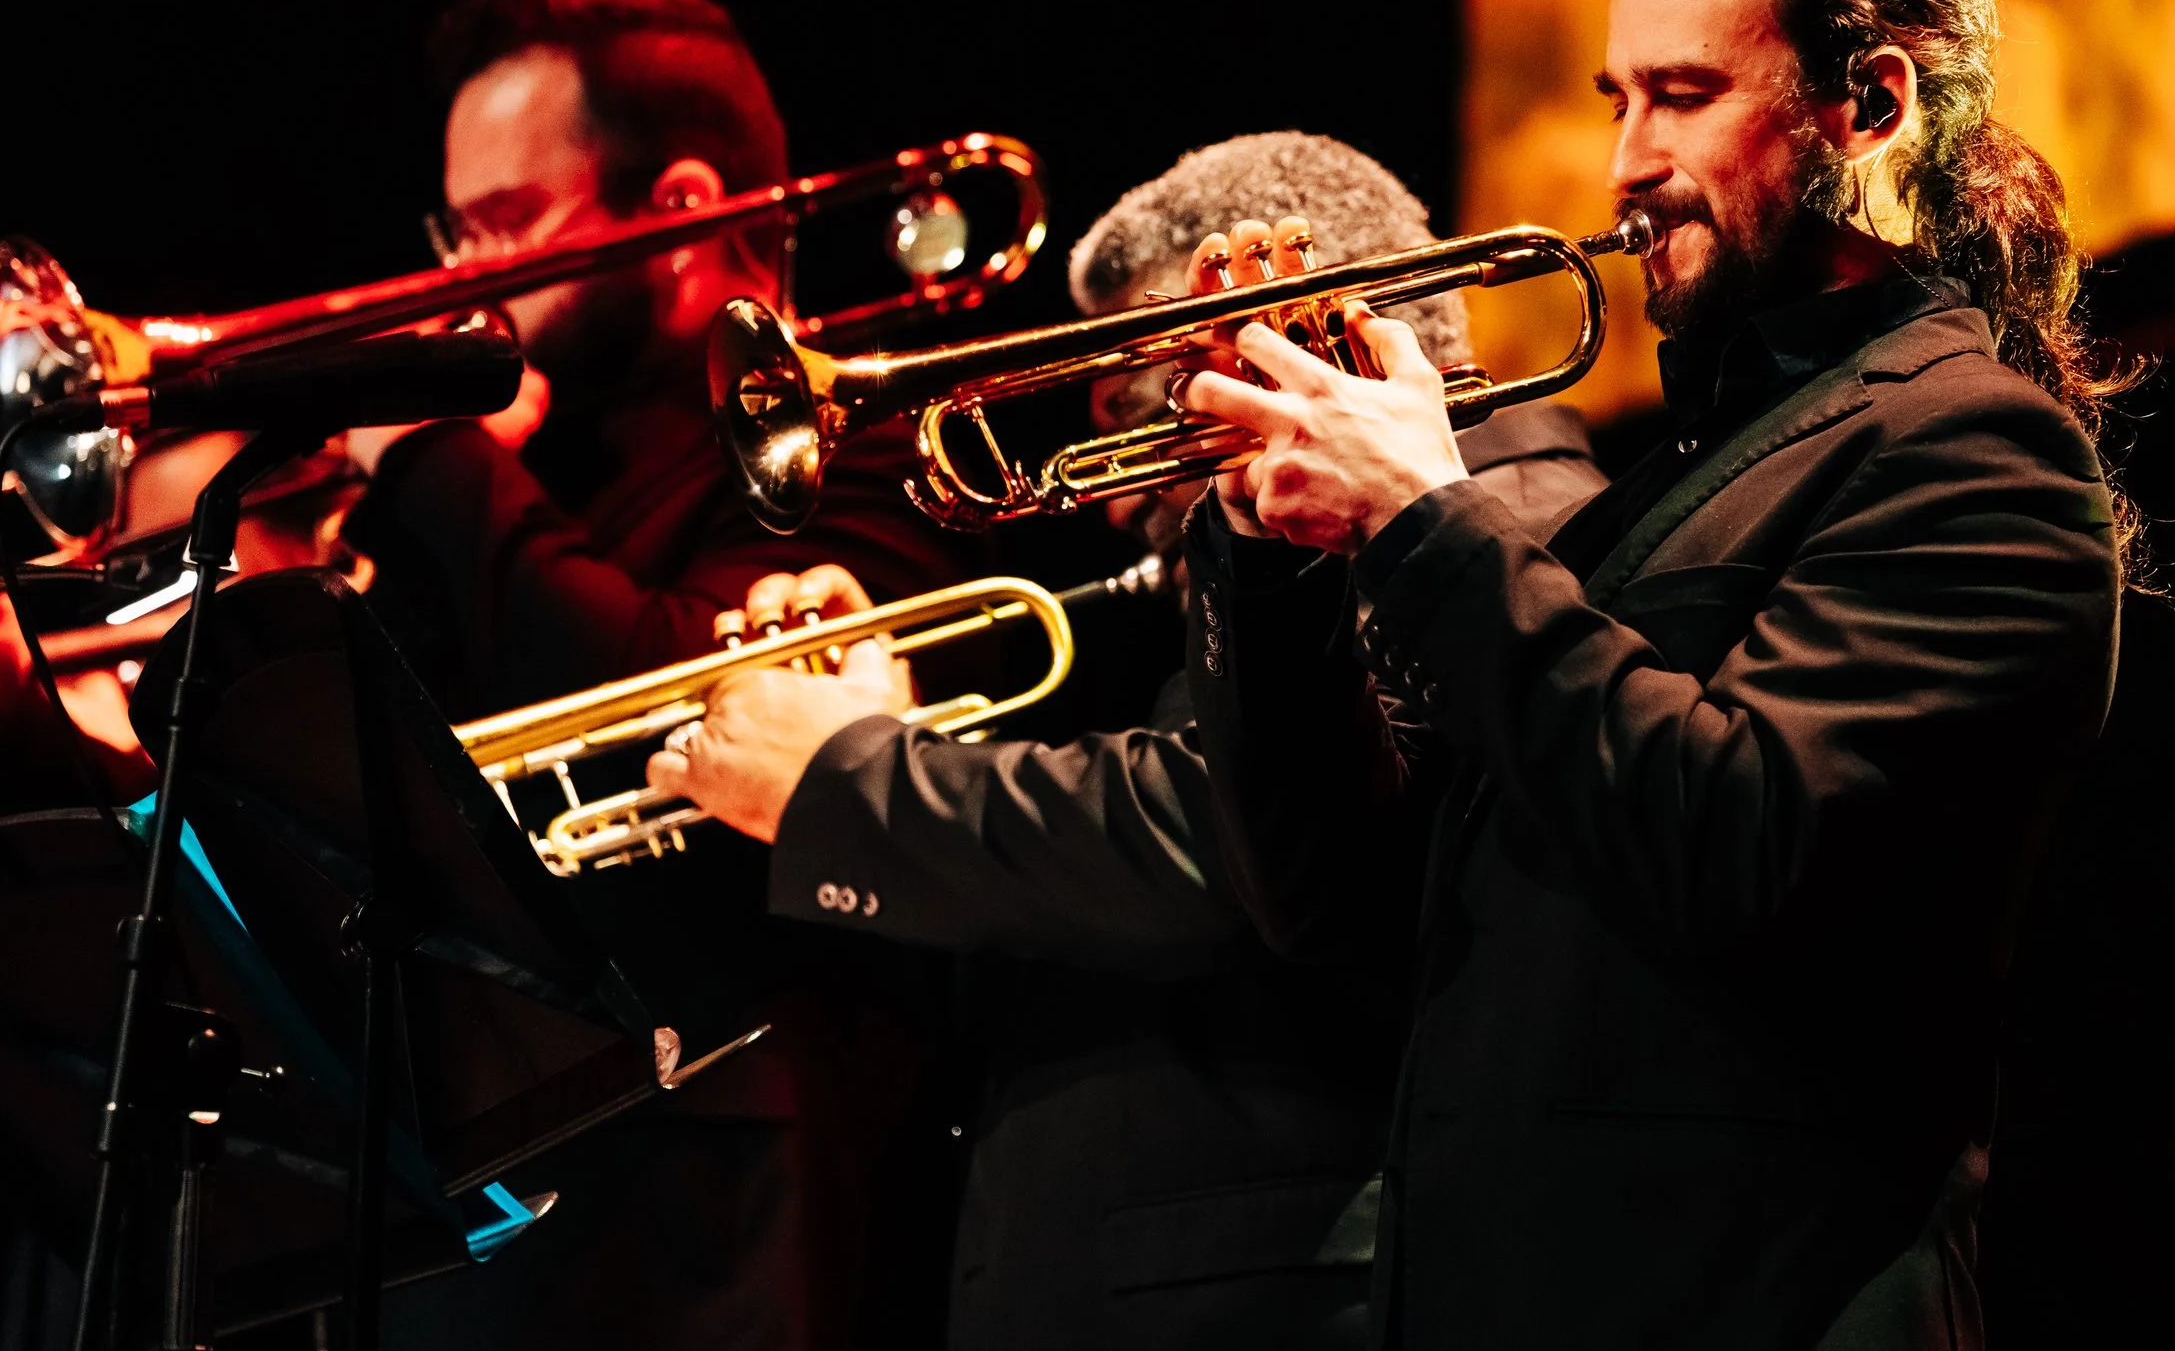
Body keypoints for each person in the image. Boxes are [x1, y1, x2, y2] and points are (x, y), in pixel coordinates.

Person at [1175, 0, 2129, 1347]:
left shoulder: (1973, 448)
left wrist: (1425, 519)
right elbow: (1344, 911)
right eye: (1616, 98)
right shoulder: (1670, 481)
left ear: (1868, 107)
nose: (1624, 161)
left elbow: (1745, 838)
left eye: (1683, 94)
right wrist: (1281, 551)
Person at [643, 133, 1607, 1350]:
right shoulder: (1309, 558)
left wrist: (855, 780)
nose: (1105, 490)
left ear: (1295, 325)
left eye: (1142, 394)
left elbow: (1215, 838)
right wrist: (881, 718)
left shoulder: (1515, 526)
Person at [355, 0, 976, 1351]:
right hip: (482, 1205)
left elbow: (682, 711)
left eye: (505, 222)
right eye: (452, 234)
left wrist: (440, 460)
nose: (464, 280)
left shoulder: (865, 442)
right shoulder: (524, 463)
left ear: (685, 207)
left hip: (724, 1212)